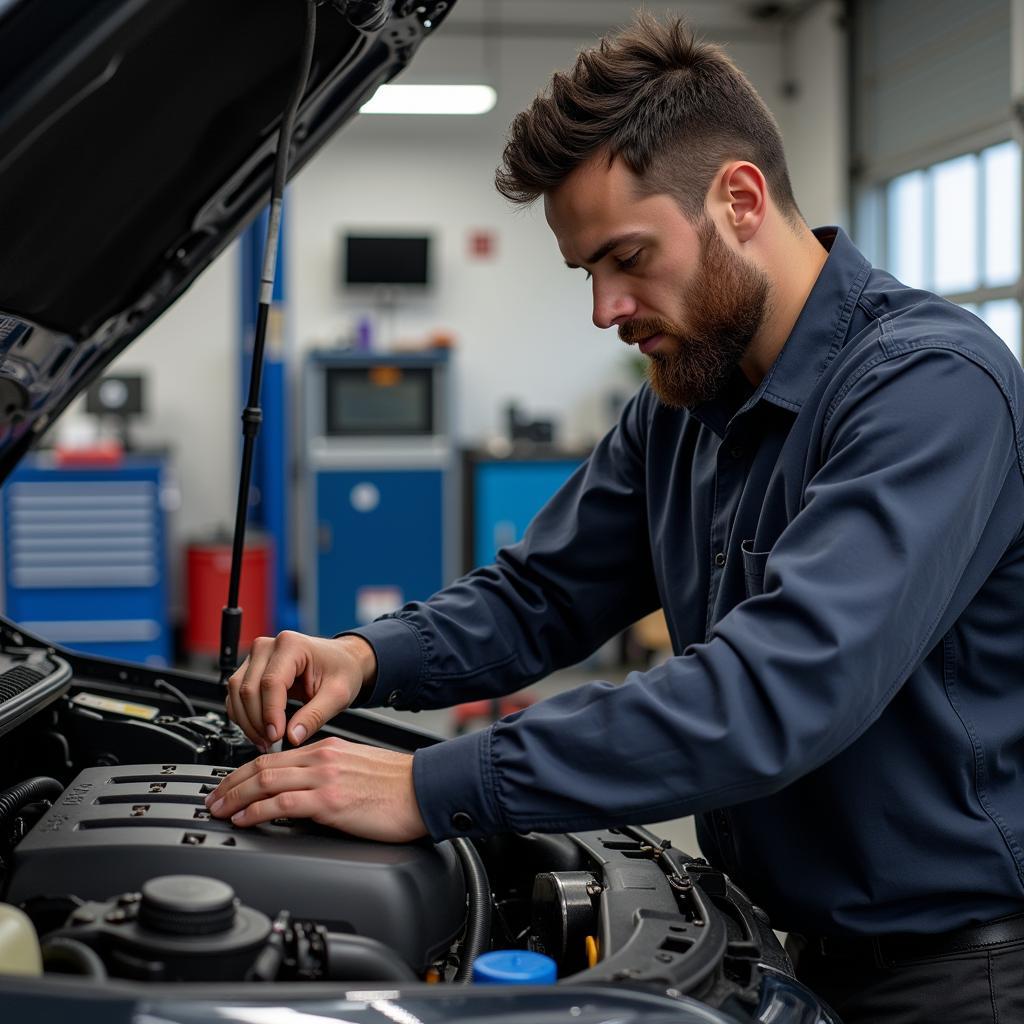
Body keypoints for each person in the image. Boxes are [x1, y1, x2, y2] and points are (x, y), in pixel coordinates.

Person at [206, 14, 1024, 1021]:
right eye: (586, 271)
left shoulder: (928, 389)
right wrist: (365, 657)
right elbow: (539, 595)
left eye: (627, 257)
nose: (605, 307)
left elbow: (770, 693)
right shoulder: (682, 406)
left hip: (951, 979)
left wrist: (427, 785)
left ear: (738, 198)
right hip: (772, 943)